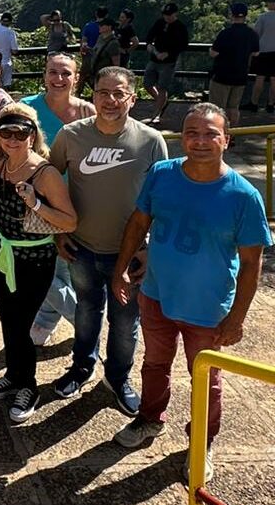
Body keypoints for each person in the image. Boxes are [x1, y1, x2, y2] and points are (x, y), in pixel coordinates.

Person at [112, 103, 271, 482]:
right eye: (192, 133)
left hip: (208, 307)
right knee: (153, 364)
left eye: (210, 133)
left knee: (207, 378)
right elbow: (138, 222)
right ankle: (150, 418)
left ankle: (202, 442)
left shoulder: (244, 196)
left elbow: (252, 264)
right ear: (182, 137)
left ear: (226, 140)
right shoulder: (162, 173)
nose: (200, 141)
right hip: (157, 295)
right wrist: (120, 269)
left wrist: (237, 318)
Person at [49, 67, 168, 416]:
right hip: (81, 247)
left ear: (132, 98)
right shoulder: (71, 136)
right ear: (93, 95)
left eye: (119, 94)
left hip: (129, 255)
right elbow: (49, 182)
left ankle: (117, 378)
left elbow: (162, 199)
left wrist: (149, 246)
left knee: (125, 323)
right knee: (86, 312)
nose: (111, 101)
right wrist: (58, 231)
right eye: (103, 93)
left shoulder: (150, 141)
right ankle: (81, 367)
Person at [0, 104, 76, 423]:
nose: (13, 138)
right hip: (0, 251)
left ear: (33, 136)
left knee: (21, 324)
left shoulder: (44, 173)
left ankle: (28, 386)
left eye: (21, 132)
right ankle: (15, 375)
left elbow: (69, 221)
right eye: (6, 132)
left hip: (33, 259)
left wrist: (35, 202)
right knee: (8, 319)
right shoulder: (1, 164)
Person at [22, 52, 96, 346]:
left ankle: (45, 320)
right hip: (34, 200)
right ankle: (84, 322)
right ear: (44, 76)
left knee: (65, 266)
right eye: (53, 72)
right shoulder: (28, 108)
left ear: (76, 78)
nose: (59, 79)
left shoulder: (88, 112)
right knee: (36, 270)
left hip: (77, 201)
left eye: (66, 73)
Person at [209, 2, 259, 127]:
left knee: (217, 109)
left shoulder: (225, 33)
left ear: (232, 15)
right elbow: (256, 53)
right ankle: (232, 134)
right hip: (241, 75)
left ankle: (219, 133)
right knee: (234, 108)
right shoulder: (251, 34)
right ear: (245, 16)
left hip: (222, 75)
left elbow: (214, 53)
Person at [143, 2, 189, 125]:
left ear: (175, 14)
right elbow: (149, 37)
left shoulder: (180, 27)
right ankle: (161, 101)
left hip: (168, 62)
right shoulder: (159, 23)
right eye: (165, 15)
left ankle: (157, 114)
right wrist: (150, 46)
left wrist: (168, 54)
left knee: (162, 87)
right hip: (154, 58)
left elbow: (183, 45)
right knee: (147, 83)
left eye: (169, 15)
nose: (167, 17)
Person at [243, 0, 275, 113]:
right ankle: (271, 104)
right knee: (274, 80)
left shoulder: (263, 17)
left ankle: (254, 103)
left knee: (259, 79)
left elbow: (256, 34)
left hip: (263, 51)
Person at [76, 7, 107, 96]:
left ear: (96, 14)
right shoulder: (108, 27)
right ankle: (100, 94)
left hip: (89, 54)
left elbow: (84, 40)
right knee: (100, 76)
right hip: (103, 56)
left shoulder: (89, 26)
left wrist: (83, 48)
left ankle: (78, 93)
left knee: (83, 75)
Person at [85, 16, 121, 88]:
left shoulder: (113, 43)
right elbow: (96, 51)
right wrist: (87, 49)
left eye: (102, 25)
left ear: (109, 27)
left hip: (106, 75)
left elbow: (116, 64)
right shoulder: (100, 38)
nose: (99, 27)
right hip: (95, 73)